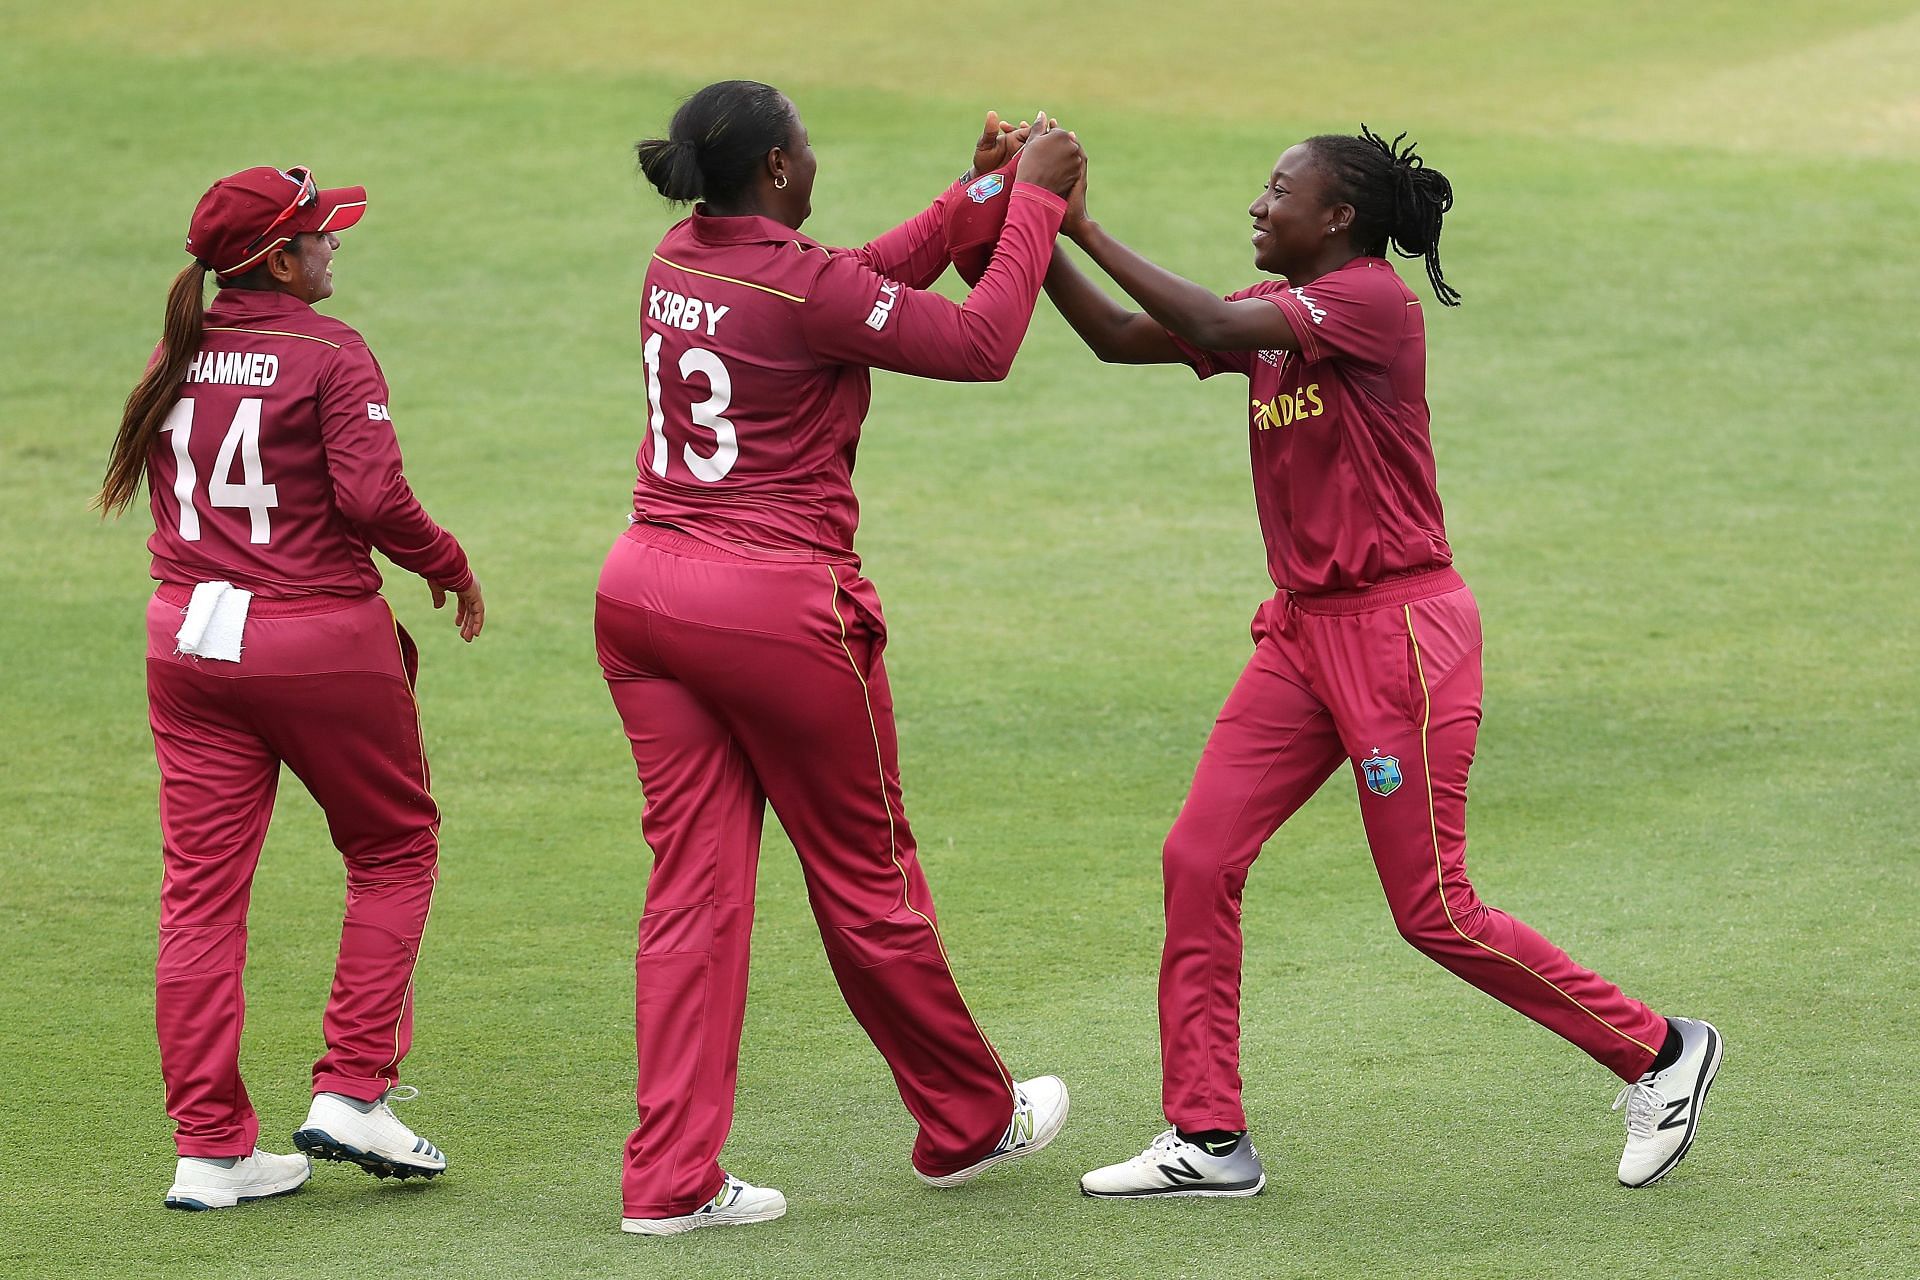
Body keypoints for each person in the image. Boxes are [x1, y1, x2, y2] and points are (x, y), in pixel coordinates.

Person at [1040, 127, 1721, 1198]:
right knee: (1199, 857)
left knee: (1434, 906)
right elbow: (1125, 337)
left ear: (1339, 219)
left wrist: (1072, 219)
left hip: (1400, 636)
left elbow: (1205, 318)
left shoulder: (1368, 299)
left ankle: (1660, 1049)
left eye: (1279, 192)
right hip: (1305, 634)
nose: (1258, 207)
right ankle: (1208, 1137)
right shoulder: (1277, 322)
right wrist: (1024, 230)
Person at [598, 82, 1084, 1236]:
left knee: (691, 897)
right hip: (774, 610)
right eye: (805, 151)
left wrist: (980, 191)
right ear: (774, 171)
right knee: (868, 874)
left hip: (642, 599)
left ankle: (670, 1178)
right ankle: (968, 1116)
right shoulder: (798, 283)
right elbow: (978, 341)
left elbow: (855, 281)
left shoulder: (682, 255)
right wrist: (1038, 210)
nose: (814, 166)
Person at [98, 165, 485, 1210]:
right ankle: (354, 1086)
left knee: (201, 896)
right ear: (279, 258)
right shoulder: (330, 349)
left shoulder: (175, 352)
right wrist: (447, 559)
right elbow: (370, 494)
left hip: (187, 642)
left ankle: (210, 1147)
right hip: (314, 638)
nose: (334, 248)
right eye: (320, 235)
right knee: (395, 845)